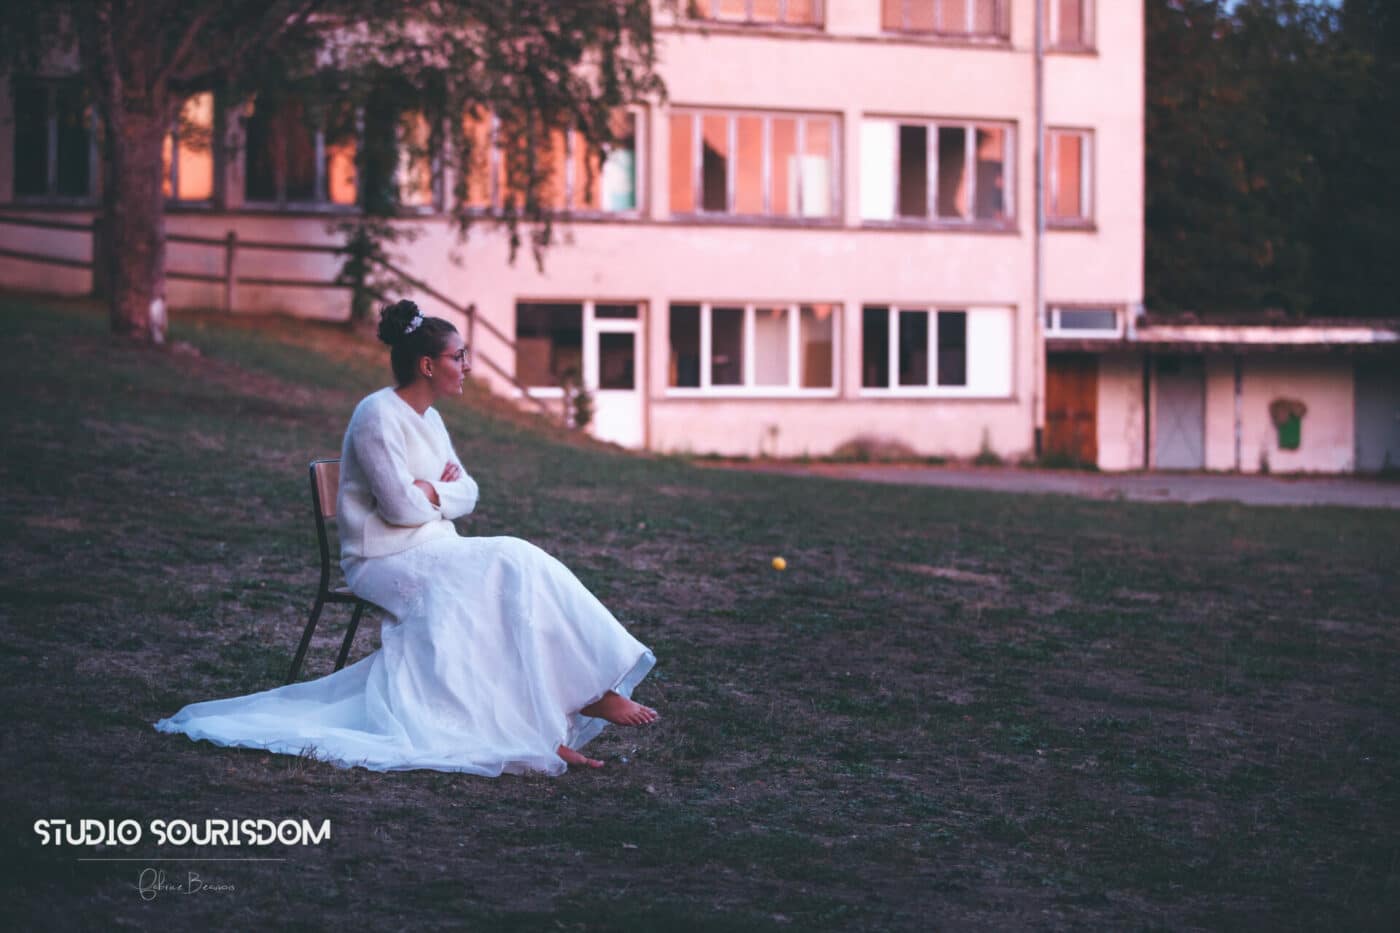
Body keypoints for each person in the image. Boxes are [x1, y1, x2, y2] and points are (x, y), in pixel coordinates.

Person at [155, 299, 657, 775]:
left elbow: (470, 492)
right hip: (381, 559)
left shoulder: (432, 420)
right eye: (458, 356)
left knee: (517, 563)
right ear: (427, 365)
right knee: (501, 564)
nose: (466, 364)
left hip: (435, 546)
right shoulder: (376, 415)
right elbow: (395, 508)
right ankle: (558, 716)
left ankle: (560, 711)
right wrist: (438, 493)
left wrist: (431, 491)